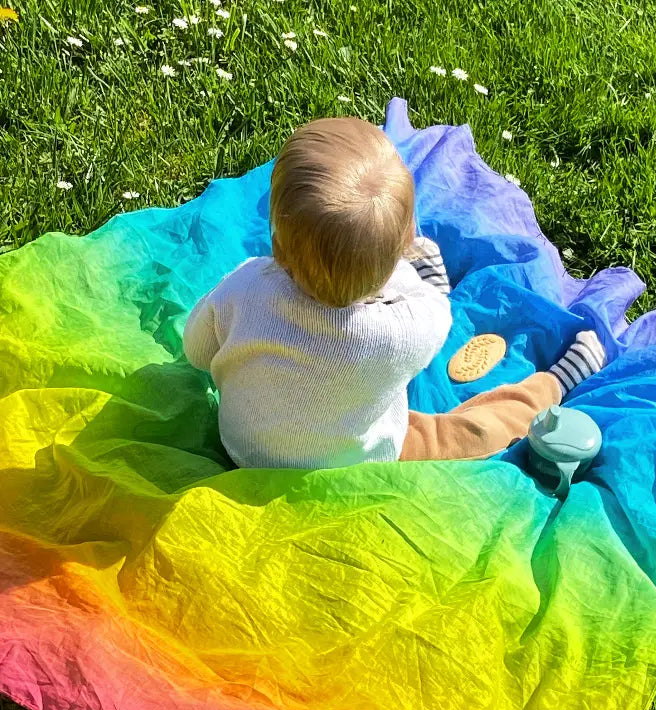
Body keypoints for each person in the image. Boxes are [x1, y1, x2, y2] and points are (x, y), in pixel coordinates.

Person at [183, 117, 606, 468]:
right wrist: (410, 280)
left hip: (243, 456)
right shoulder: (403, 331)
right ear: (400, 253)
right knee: (472, 433)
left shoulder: (244, 283)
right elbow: (441, 319)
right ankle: (554, 383)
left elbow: (197, 350)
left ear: (277, 241)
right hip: (362, 464)